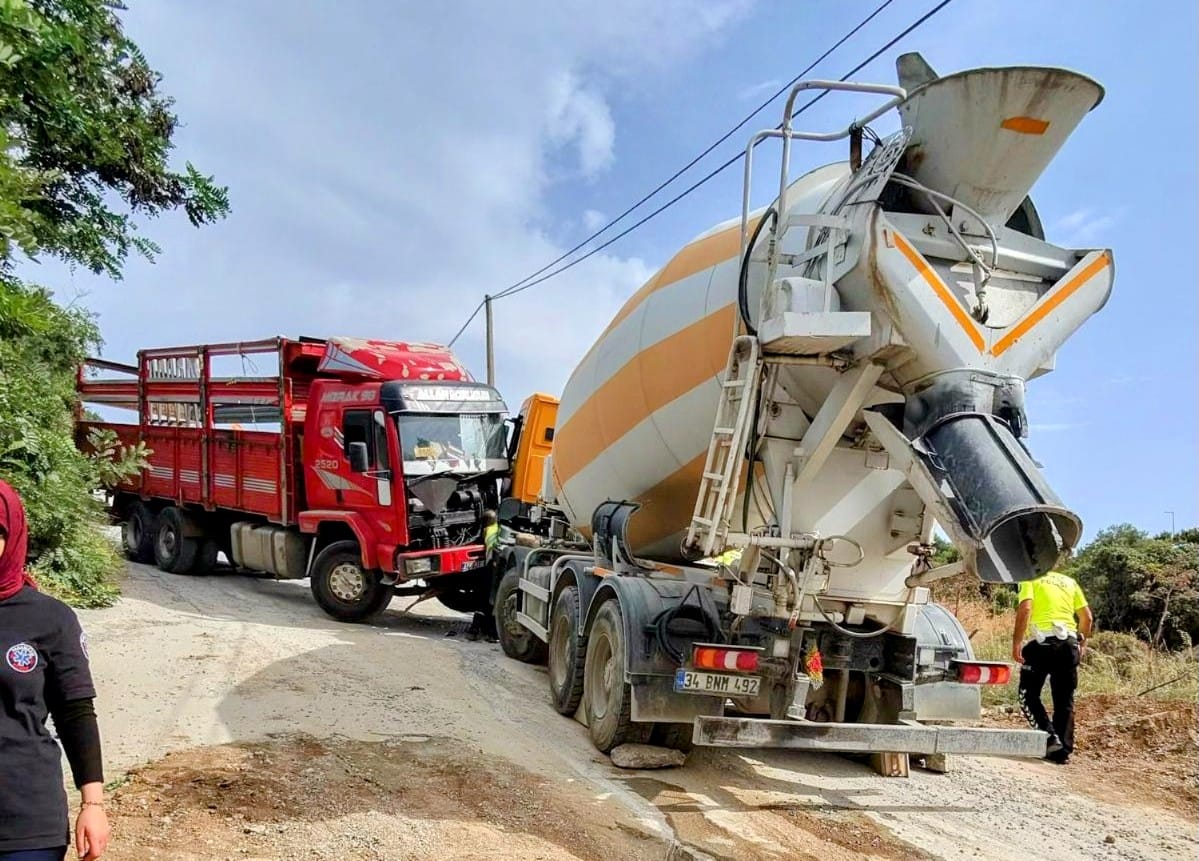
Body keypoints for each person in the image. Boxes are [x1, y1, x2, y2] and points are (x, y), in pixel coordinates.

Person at [0, 479, 110, 860]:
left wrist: (92, 805)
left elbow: (75, 712)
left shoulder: (51, 619)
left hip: (24, 824)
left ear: (10, 536)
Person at [1011, 568, 1093, 764]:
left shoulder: (1029, 577)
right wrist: (1081, 645)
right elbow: (1087, 618)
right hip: (1069, 645)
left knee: (1027, 695)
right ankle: (1062, 752)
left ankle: (1048, 737)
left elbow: (1026, 608)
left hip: (1043, 644)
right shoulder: (1069, 582)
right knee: (1064, 699)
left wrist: (1017, 642)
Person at [465, 511, 500, 643]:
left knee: (481, 599)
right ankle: (491, 633)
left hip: (489, 566)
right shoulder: (498, 529)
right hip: (497, 566)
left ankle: (474, 630)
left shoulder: (486, 531)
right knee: (491, 601)